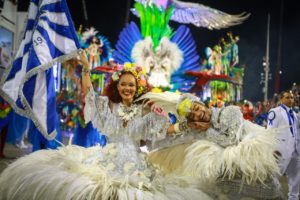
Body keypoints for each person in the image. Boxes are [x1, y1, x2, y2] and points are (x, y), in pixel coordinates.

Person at [0, 52, 212, 200]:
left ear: (138, 87)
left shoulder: (147, 109)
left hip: (136, 163)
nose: (127, 88)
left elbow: (163, 130)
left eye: (131, 85)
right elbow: (88, 94)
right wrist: (85, 69)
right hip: (107, 157)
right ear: (117, 86)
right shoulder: (108, 105)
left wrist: (185, 126)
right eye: (123, 84)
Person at [140, 91, 282, 199]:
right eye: (191, 116)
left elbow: (231, 140)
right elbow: (168, 142)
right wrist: (184, 126)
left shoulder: (230, 111)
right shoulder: (196, 128)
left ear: (201, 103)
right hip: (229, 180)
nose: (197, 115)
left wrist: (207, 130)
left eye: (196, 108)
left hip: (253, 165)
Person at [267, 90, 300, 200]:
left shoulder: (294, 114)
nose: (291, 99)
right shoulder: (275, 112)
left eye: (292, 97)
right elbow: (270, 131)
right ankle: (272, 196)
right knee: (274, 176)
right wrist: (272, 149)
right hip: (281, 151)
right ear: (281, 99)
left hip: (295, 151)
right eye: (287, 97)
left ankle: (293, 198)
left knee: (295, 178)